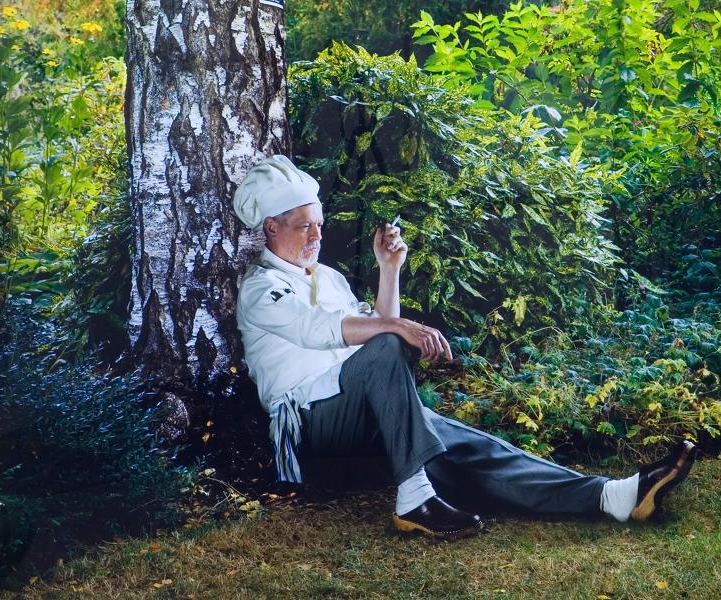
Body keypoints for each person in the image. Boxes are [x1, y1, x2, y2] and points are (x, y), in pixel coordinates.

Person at [233, 155, 696, 541]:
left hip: (364, 409)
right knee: (389, 343)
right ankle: (414, 498)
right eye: (303, 228)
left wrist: (389, 269)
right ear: (272, 228)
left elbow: (372, 330)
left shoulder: (328, 278)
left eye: (319, 225)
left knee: (475, 451)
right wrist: (400, 327)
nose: (316, 237)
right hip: (309, 421)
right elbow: (322, 330)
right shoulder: (260, 287)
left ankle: (614, 496)